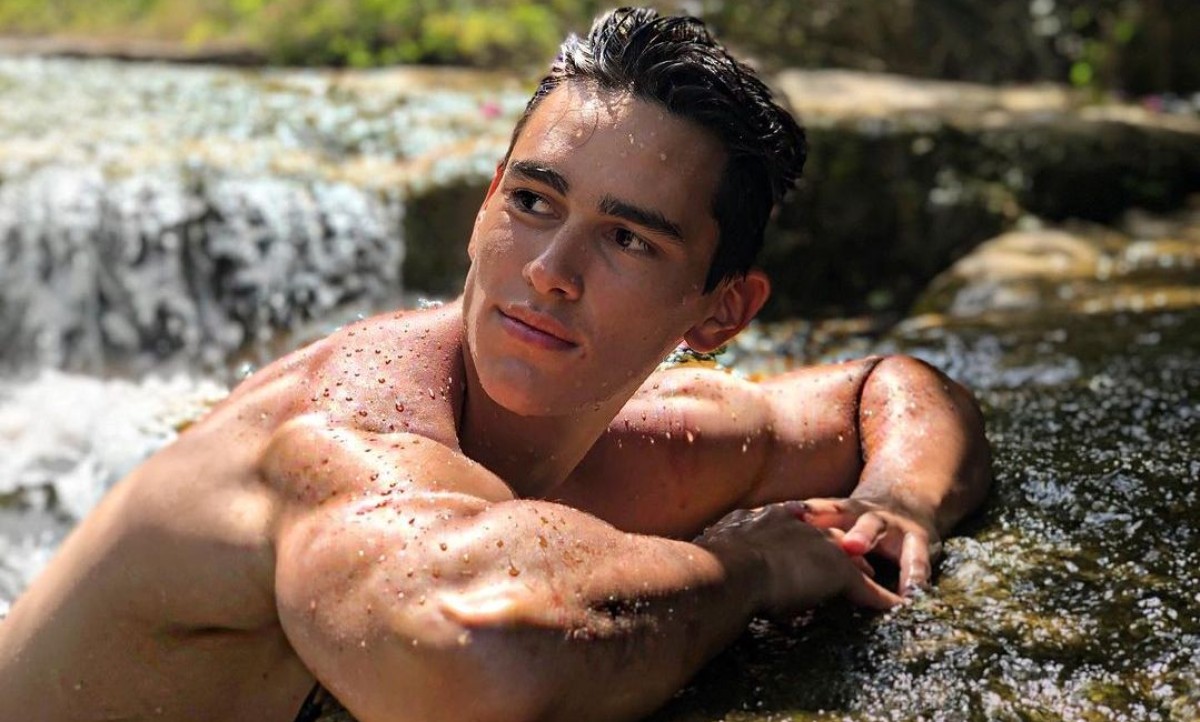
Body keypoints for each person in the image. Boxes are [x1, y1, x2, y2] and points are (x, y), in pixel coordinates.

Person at [0, 7, 991, 722]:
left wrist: (899, 501)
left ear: (722, 311)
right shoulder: (343, 435)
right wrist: (745, 568)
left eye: (628, 239)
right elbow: (474, 654)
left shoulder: (644, 447)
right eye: (533, 201)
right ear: (484, 205)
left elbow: (890, 388)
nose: (551, 270)